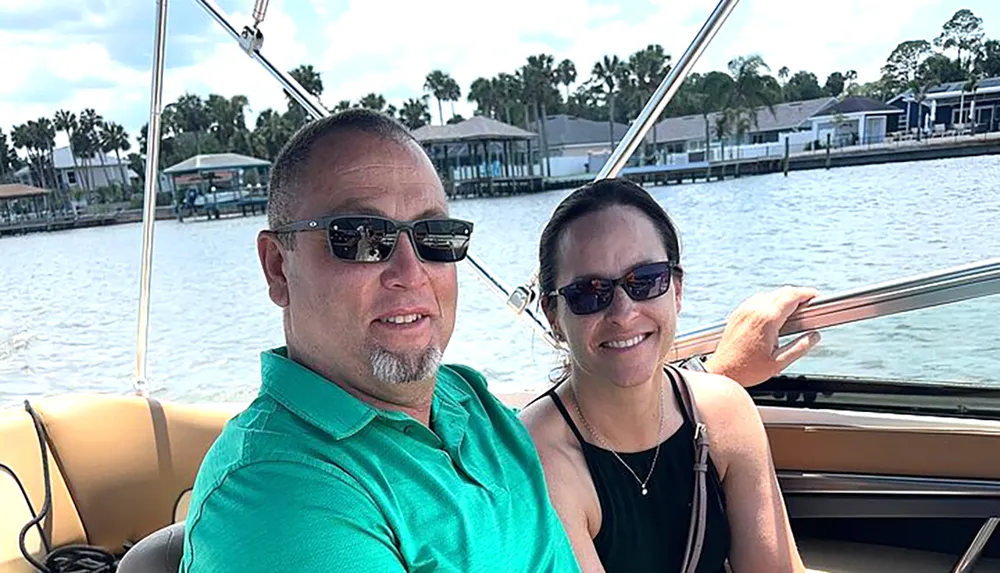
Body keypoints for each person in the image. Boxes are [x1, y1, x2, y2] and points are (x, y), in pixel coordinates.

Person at [179, 109, 818, 572]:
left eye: (435, 237)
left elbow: (619, 406)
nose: (410, 271)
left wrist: (719, 376)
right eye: (360, 238)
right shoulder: (279, 496)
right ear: (278, 268)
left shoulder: (466, 404)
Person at [519, 179, 809, 573]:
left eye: (646, 280)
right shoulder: (538, 457)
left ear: (676, 290)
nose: (622, 313)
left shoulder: (724, 412)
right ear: (553, 316)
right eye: (589, 293)